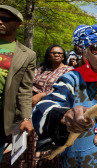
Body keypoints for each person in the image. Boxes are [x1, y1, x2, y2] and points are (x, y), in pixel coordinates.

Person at [32, 24, 97, 167]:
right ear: (86, 54)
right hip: (82, 160)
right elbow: (43, 108)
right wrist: (64, 116)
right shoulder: (72, 79)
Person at [0, 5, 36, 163]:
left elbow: (25, 89)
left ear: (18, 24)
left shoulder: (27, 55)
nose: (0, 22)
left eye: (5, 19)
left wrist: (26, 117)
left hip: (2, 116)